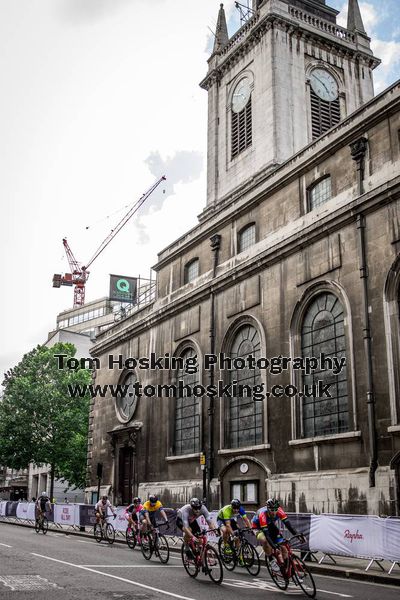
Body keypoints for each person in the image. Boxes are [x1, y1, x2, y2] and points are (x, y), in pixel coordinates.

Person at [252, 498, 305, 575]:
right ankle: (271, 560)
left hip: (269, 525)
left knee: (283, 547)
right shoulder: (262, 514)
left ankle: (288, 571)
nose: (274, 512)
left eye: (275, 509)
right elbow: (267, 535)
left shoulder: (280, 511)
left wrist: (298, 535)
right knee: (264, 540)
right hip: (257, 527)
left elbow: (289, 526)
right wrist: (274, 547)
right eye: (271, 510)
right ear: (267, 508)